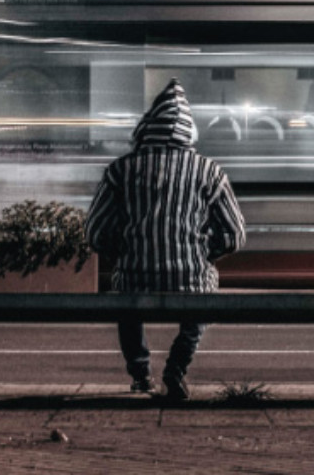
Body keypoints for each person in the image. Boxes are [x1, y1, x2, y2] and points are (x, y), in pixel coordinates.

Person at [86, 78, 246, 400]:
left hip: (134, 277)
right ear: (190, 131)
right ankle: (176, 368)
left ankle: (141, 374)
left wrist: (125, 252)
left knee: (126, 298)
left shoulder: (121, 171)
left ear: (147, 127)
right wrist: (203, 253)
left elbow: (95, 231)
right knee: (203, 297)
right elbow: (235, 233)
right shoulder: (210, 172)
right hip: (191, 276)